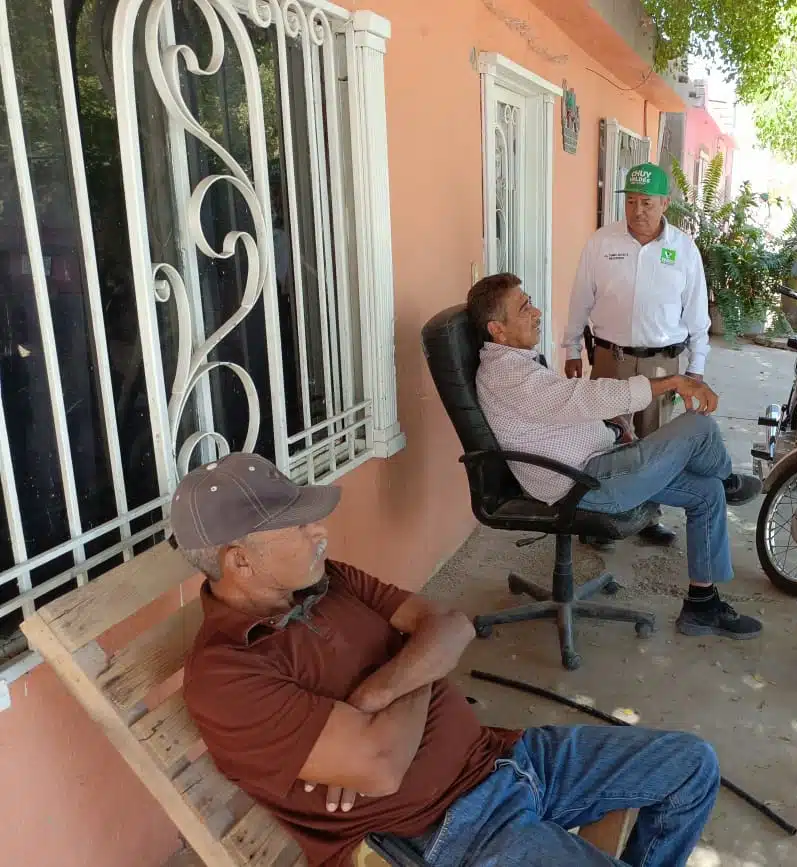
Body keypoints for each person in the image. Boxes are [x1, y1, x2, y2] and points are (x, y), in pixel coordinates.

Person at [175, 453, 722, 867]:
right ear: (240, 562)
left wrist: (375, 694)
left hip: (509, 759)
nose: (319, 531)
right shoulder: (227, 674)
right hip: (454, 829)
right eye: (298, 526)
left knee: (692, 766)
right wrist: (422, 666)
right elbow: (381, 767)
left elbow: (453, 625)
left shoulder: (331, 580)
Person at [470, 272, 764, 640]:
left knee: (706, 493)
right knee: (698, 428)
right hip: (584, 482)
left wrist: (612, 427)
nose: (537, 312)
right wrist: (671, 382)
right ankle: (729, 478)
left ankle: (701, 606)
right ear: (497, 329)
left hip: (600, 463)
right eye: (525, 307)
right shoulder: (506, 375)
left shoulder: (515, 363)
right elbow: (581, 398)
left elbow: (563, 407)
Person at [562, 162, 711, 548]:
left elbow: (697, 317)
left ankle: (648, 516)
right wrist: (571, 345)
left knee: (653, 441)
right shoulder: (601, 243)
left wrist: (696, 370)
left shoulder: (683, 249)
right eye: (630, 201)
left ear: (665, 203)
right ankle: (599, 517)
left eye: (647, 202)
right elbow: (580, 298)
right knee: (603, 438)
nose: (638, 210)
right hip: (610, 358)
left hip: (662, 361)